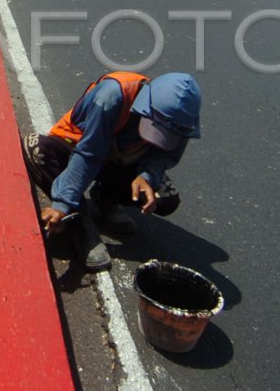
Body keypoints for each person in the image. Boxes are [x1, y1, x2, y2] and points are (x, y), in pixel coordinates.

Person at [21, 71, 202, 270]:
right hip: (76, 148)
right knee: (35, 148)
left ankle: (106, 198)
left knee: (167, 199)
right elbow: (88, 154)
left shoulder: (183, 119)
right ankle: (80, 222)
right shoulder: (112, 96)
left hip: (118, 159)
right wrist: (62, 203)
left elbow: (165, 154)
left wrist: (147, 176)